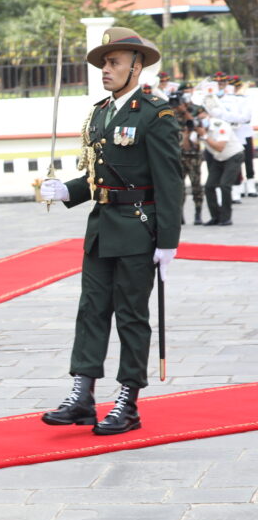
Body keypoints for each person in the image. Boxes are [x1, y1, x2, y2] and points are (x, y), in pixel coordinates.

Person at [38, 26, 180, 435]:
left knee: (131, 316)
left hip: (138, 228)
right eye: (104, 62)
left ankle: (127, 400)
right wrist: (68, 189)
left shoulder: (156, 114)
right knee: (91, 310)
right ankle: (82, 394)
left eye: (114, 62)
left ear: (137, 66)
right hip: (101, 227)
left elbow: (170, 182)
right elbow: (98, 175)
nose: (106, 69)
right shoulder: (102, 112)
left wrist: (168, 241)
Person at [200, 113, 244, 226]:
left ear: (207, 116)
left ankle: (226, 218)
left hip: (233, 155)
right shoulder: (198, 129)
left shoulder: (220, 125)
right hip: (218, 158)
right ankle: (215, 216)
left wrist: (205, 136)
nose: (200, 121)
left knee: (225, 185)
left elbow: (220, 147)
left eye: (201, 118)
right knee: (209, 186)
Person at [169, 91, 205, 225]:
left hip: (193, 155)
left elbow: (198, 127)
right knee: (179, 187)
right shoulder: (169, 113)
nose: (175, 105)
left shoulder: (194, 110)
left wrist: (184, 112)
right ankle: (180, 215)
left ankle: (198, 213)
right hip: (178, 155)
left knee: (196, 185)